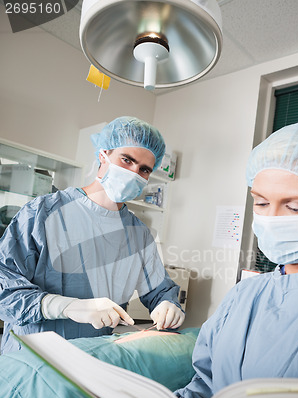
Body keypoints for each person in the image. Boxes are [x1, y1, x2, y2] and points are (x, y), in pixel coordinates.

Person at [88, 119, 298, 398]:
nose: (271, 219)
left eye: (296, 207)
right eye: (262, 203)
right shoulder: (245, 296)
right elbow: (206, 388)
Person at [0, 116, 184, 354]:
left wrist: (167, 304)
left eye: (144, 169)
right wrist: (64, 306)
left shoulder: (138, 235)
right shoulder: (42, 213)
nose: (134, 172)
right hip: (31, 359)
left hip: (92, 360)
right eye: (127, 160)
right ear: (103, 154)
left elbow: (158, 288)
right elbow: (4, 286)